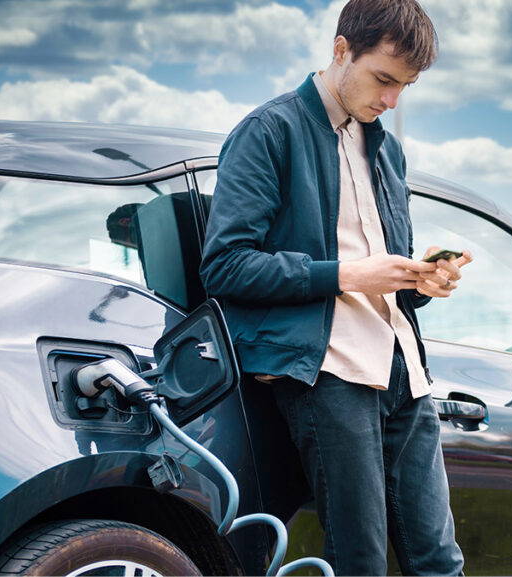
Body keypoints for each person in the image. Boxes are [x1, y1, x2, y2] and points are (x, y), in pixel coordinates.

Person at [200, 0, 470, 574]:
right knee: (359, 563)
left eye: (405, 87)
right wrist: (348, 274)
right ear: (341, 50)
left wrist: (422, 281)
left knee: (440, 562)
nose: (392, 100)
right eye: (384, 79)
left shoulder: (387, 150)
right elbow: (225, 266)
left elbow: (387, 282)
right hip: (328, 372)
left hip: (404, 370)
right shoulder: (268, 131)